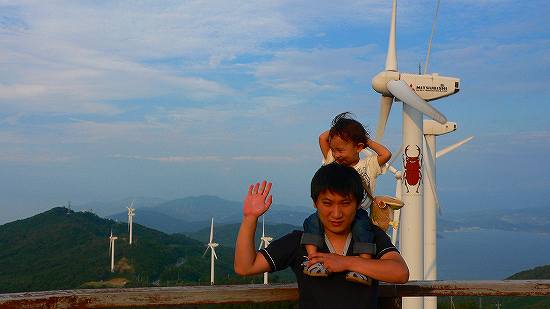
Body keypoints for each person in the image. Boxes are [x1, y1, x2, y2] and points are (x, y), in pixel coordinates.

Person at [234, 164, 409, 309]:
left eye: (345, 203)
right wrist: (250, 218)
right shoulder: (299, 241)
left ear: (358, 204)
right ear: (314, 202)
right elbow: (245, 267)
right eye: (327, 203)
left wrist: (346, 262)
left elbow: (400, 273)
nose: (336, 213)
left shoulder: (372, 236)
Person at [301, 112, 394, 285]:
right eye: (334, 149)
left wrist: (365, 140)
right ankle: (313, 261)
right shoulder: (332, 163)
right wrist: (341, 130)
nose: (336, 154)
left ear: (358, 147)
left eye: (341, 150)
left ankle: (363, 267)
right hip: (333, 212)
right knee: (312, 222)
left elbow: (386, 154)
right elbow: (322, 137)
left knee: (363, 230)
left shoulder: (368, 165)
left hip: (358, 212)